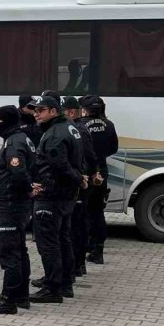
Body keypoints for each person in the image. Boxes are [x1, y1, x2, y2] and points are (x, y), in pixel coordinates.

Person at [0, 106, 37, 314]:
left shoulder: (14, 142)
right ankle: (21, 295)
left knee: (9, 252)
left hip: (11, 204)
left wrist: (26, 190)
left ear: (6, 121)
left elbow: (18, 173)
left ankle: (8, 300)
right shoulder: (21, 139)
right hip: (16, 204)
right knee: (19, 249)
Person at [29, 95, 83, 303]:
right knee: (63, 239)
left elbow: (59, 165)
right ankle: (65, 283)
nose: (36, 114)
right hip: (65, 195)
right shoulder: (69, 127)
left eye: (40, 110)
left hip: (51, 195)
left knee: (49, 243)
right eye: (35, 110)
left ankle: (53, 288)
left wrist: (76, 179)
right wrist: (78, 179)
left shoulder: (54, 135)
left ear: (53, 111)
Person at [80, 95, 119, 265]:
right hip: (102, 171)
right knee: (97, 211)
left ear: (85, 109)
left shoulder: (81, 125)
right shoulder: (109, 125)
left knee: (82, 211)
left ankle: (84, 247)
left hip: (86, 173)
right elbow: (114, 148)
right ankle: (98, 250)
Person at [63, 96, 97, 280]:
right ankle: (78, 264)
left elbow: (89, 157)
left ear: (71, 112)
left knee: (76, 226)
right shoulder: (80, 129)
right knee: (78, 224)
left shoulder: (76, 130)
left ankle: (76, 265)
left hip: (79, 183)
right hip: (81, 180)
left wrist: (86, 177)